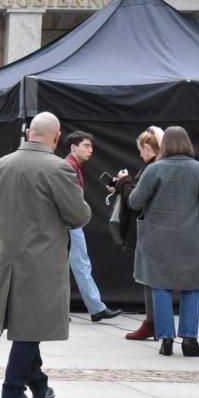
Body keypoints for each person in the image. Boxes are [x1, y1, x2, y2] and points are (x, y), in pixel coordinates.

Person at [0, 112, 91, 398]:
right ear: (57, 136)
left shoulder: (3, 163)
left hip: (10, 256)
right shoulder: (58, 168)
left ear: (28, 132)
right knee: (30, 328)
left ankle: (39, 384)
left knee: (26, 322)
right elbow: (79, 215)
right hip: (42, 259)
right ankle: (12, 390)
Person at [128, 126, 199, 358]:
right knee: (191, 288)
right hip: (191, 237)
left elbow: (135, 202)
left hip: (157, 237)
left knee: (160, 286)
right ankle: (189, 340)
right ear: (188, 143)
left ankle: (165, 339)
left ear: (164, 144)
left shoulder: (155, 169)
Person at [64, 131, 123, 322]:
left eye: (91, 146)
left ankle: (88, 308)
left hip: (68, 224)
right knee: (80, 266)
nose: (91, 150)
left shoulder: (73, 165)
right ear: (74, 147)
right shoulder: (69, 167)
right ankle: (95, 308)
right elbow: (69, 200)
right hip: (70, 225)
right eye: (86, 146)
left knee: (70, 267)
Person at [114, 127, 164, 340]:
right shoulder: (158, 168)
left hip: (149, 231)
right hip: (158, 230)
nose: (139, 154)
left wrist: (124, 182)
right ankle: (155, 323)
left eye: (140, 149)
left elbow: (136, 200)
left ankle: (153, 323)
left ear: (147, 146)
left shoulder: (152, 169)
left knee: (149, 279)